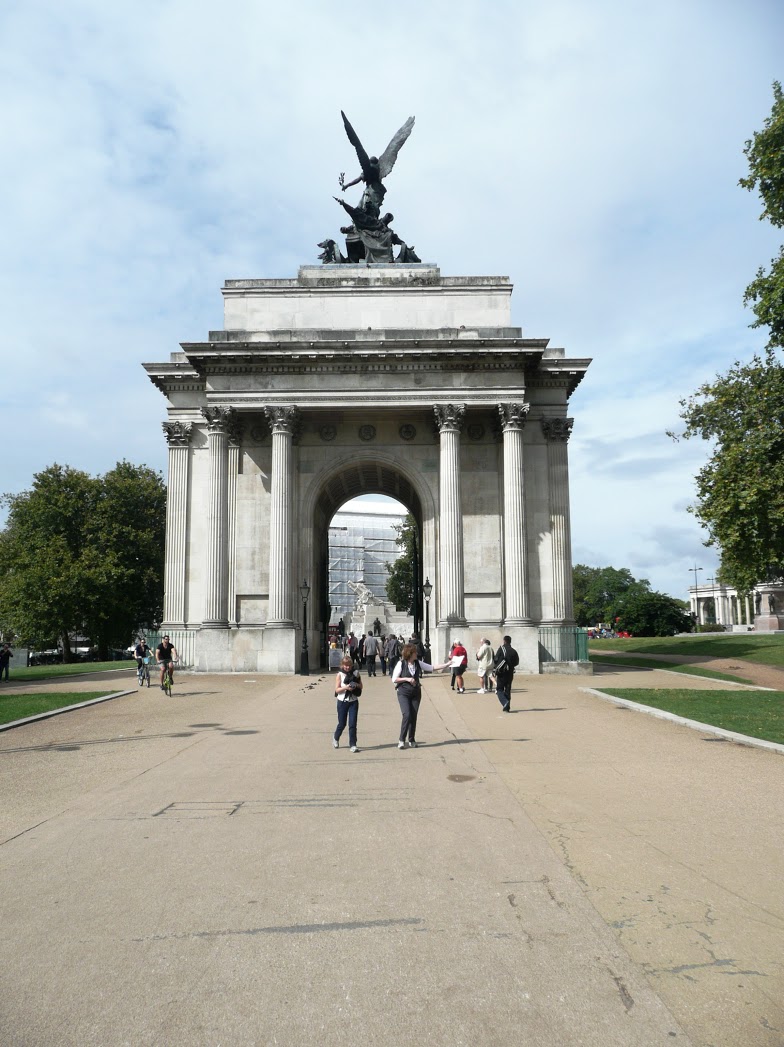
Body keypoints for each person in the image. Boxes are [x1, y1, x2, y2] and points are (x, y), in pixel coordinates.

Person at [391, 643, 449, 749]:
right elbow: (394, 679)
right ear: (410, 653)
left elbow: (432, 667)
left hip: (416, 693)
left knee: (413, 716)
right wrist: (407, 679)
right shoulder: (401, 664)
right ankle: (401, 740)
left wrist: (447, 664)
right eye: (415, 652)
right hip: (403, 693)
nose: (417, 653)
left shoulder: (417, 663)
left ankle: (411, 739)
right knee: (407, 714)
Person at [333, 654, 362, 753]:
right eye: (345, 665)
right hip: (342, 701)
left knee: (352, 724)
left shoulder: (356, 673)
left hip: (353, 701)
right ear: (342, 665)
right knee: (342, 723)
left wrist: (355, 685)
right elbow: (337, 690)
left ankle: (353, 744)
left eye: (349, 665)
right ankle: (336, 737)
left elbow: (361, 686)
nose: (347, 667)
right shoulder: (340, 674)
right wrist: (346, 687)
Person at [493, 635, 520, 712]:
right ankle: (507, 708)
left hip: (501, 672)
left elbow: (496, 659)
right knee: (508, 689)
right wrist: (510, 666)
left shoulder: (502, 649)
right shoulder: (514, 651)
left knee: (499, 689)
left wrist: (496, 667)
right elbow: (517, 662)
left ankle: (505, 702)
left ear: (504, 641)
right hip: (510, 672)